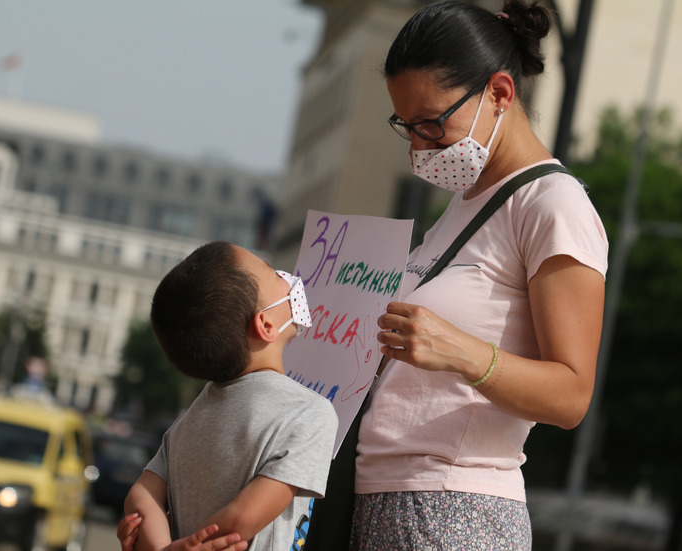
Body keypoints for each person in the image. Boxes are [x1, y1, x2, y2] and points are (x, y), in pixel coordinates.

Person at [331, 1, 610, 549]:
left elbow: (572, 394)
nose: (418, 146)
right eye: (405, 127)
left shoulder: (554, 205)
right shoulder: (467, 203)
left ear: (500, 94)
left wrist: (459, 350)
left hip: (453, 511)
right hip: (382, 498)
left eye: (432, 123)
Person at [118, 241, 339, 551]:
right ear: (265, 324)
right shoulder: (309, 414)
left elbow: (140, 496)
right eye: (270, 271)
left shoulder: (190, 419)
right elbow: (241, 522)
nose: (286, 276)